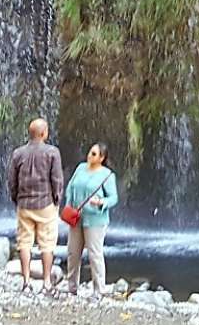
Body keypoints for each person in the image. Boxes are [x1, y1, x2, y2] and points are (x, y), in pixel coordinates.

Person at [7, 118, 64, 294]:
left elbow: (11, 180)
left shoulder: (18, 153)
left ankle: (26, 282)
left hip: (24, 204)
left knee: (24, 243)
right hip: (45, 203)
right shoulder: (52, 152)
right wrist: (57, 199)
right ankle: (47, 282)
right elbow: (57, 179)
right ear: (43, 133)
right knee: (47, 243)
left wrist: (16, 198)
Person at [62, 142, 117, 296]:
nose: (89, 156)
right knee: (73, 252)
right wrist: (68, 206)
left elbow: (113, 198)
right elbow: (70, 187)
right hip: (76, 217)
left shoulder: (107, 175)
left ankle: (99, 290)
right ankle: (72, 287)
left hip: (95, 220)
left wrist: (101, 203)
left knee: (95, 254)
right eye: (89, 152)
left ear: (101, 158)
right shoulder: (80, 168)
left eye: (93, 154)